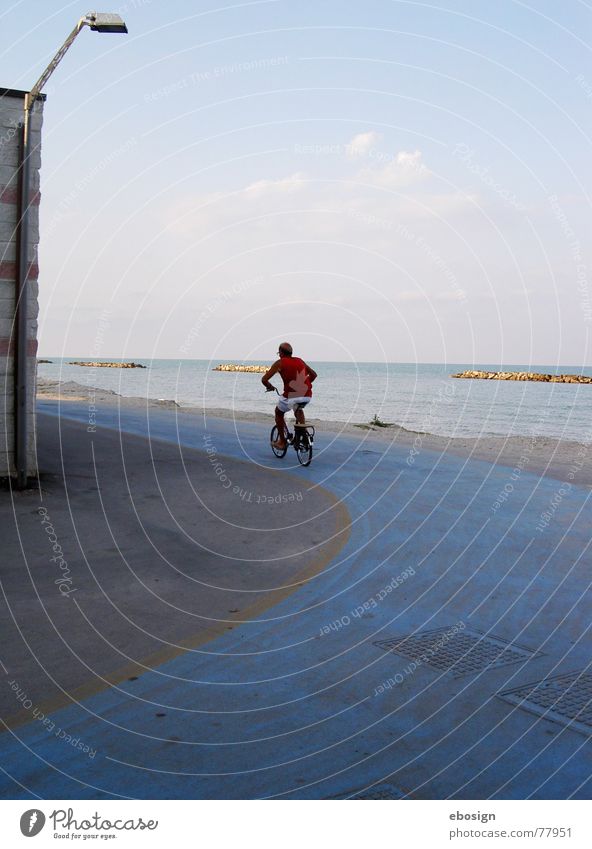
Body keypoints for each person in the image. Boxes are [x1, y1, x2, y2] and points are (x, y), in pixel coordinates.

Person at [261, 342, 317, 449]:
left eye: (279, 352)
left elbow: (264, 379)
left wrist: (270, 386)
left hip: (291, 395)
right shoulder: (300, 360)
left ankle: (282, 442)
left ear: (281, 353)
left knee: (278, 412)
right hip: (307, 395)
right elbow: (314, 375)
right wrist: (304, 384)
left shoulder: (280, 363)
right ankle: (303, 435)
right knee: (298, 409)